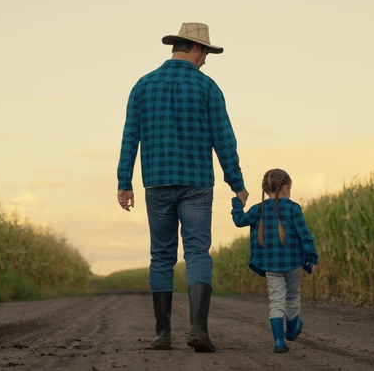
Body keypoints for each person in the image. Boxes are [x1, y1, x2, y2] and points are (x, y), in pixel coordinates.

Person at [117, 22, 249, 353]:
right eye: (206, 54)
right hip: (197, 184)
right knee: (197, 253)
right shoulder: (207, 88)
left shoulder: (143, 86)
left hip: (157, 182)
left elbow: (130, 137)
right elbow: (224, 138)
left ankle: (162, 335)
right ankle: (198, 330)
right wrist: (236, 182)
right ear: (196, 49)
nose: (206, 61)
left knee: (161, 255)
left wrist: (124, 182)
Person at [230, 168, 318, 353]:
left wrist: (237, 203)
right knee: (293, 297)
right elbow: (305, 235)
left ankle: (279, 342)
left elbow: (239, 220)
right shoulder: (293, 209)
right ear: (285, 188)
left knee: (276, 301)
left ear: (265, 189)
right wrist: (312, 258)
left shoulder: (257, 209)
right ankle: (292, 328)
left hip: (270, 265)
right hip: (294, 263)